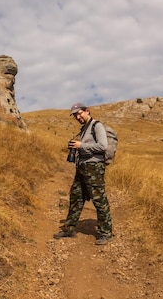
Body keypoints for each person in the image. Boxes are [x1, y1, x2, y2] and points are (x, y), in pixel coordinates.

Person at [54, 102, 113, 245]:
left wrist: (82, 145)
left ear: (87, 111)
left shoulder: (96, 125)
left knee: (99, 199)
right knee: (76, 196)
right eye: (75, 115)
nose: (77, 117)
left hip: (94, 167)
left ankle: (106, 232)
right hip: (82, 166)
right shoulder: (84, 128)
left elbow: (103, 146)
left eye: (79, 113)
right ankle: (69, 229)